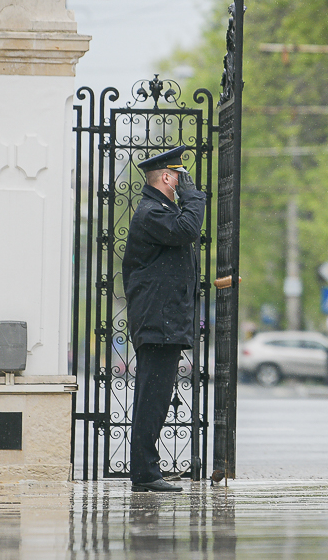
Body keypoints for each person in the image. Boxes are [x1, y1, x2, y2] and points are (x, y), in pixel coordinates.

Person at [122, 145, 207, 493]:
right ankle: (144, 472)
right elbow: (188, 229)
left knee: (153, 398)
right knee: (152, 398)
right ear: (168, 177)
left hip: (163, 322)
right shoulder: (152, 213)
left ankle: (147, 469)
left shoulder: (158, 211)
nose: (182, 184)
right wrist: (194, 197)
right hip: (158, 323)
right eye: (179, 179)